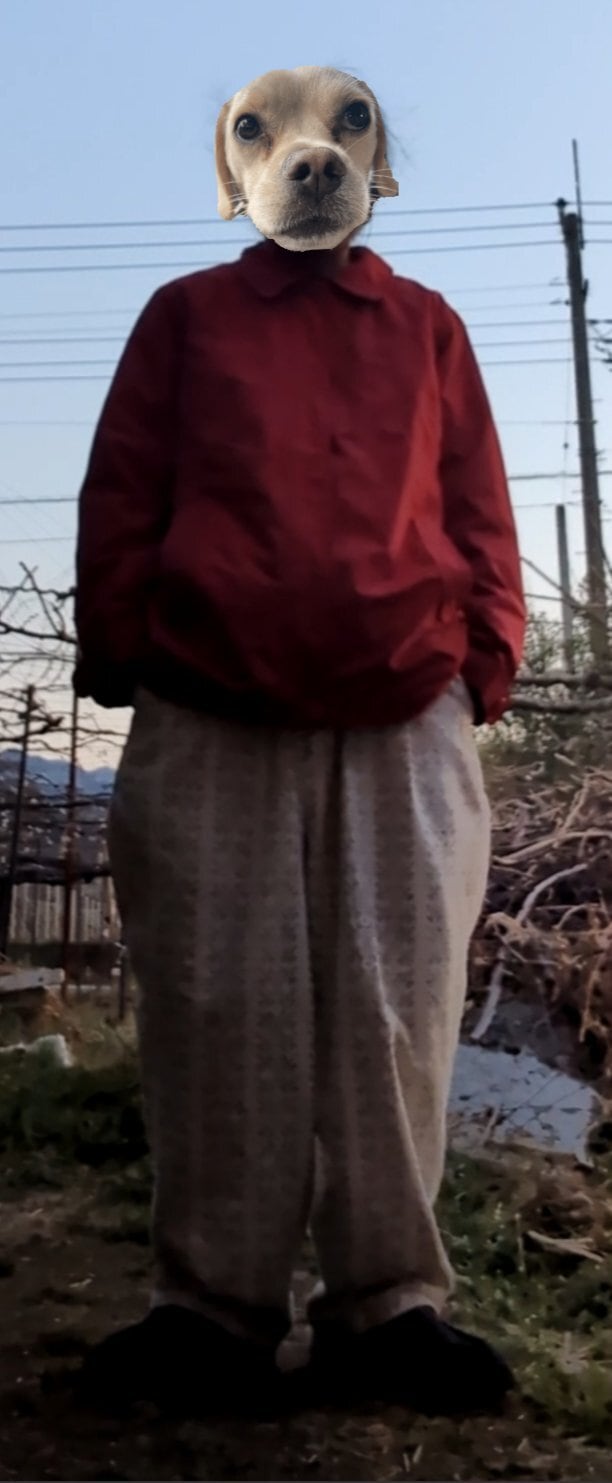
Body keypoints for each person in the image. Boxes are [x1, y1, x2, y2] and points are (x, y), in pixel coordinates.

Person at [74, 67, 525, 1417]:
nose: (310, 153)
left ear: (378, 167)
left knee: (397, 1010)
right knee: (218, 1004)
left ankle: (390, 1308)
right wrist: (123, 649)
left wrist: (483, 665)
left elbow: (478, 500)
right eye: (262, 131)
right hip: (210, 708)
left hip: (405, 711)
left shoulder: (429, 326)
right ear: (230, 174)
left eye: (348, 125)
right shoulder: (183, 319)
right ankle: (211, 1312)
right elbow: (124, 487)